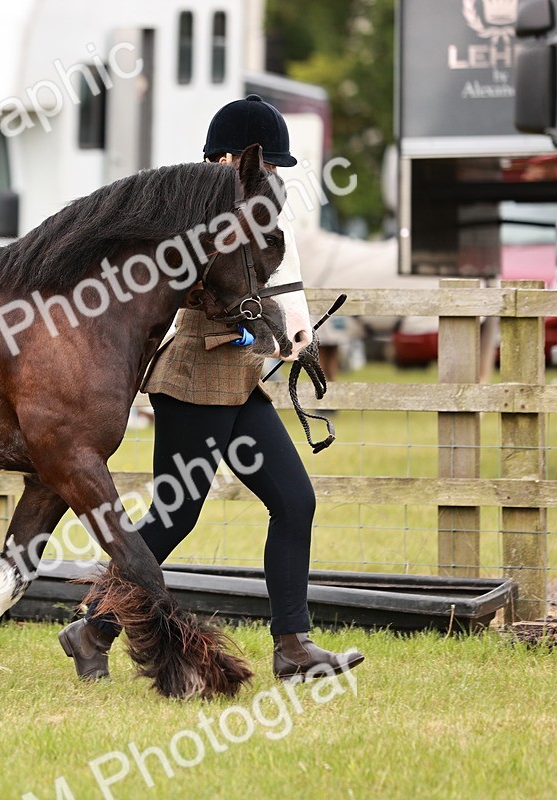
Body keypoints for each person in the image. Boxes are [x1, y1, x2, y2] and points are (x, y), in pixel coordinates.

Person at [58, 95, 365, 681]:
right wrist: (263, 332)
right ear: (232, 158)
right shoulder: (194, 213)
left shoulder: (245, 210)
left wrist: (290, 339)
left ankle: (293, 648)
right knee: (176, 514)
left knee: (294, 500)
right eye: (267, 164)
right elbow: (212, 295)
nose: (273, 175)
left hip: (239, 384)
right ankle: (94, 626)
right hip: (195, 381)